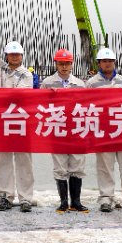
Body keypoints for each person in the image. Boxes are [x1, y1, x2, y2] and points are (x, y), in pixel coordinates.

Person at [86, 47, 122, 212]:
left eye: (110, 61)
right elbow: (87, 106)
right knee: (105, 166)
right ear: (98, 63)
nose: (107, 64)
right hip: (103, 130)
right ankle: (106, 198)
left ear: (114, 62)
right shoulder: (91, 83)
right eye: (104, 61)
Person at [0, 30, 34, 212]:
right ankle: (5, 197)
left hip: (20, 121)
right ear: (6, 55)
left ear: (21, 56)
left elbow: (19, 94)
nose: (14, 56)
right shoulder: (0, 68)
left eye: (17, 54)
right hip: (1, 122)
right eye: (11, 54)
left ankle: (25, 199)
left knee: (24, 162)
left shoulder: (26, 75)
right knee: (2, 162)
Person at [40, 49, 88, 213]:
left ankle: (76, 202)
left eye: (67, 64)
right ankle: (63, 202)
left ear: (71, 64)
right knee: (60, 167)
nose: (64, 67)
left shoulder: (80, 84)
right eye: (61, 64)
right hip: (57, 129)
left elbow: (86, 106)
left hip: (76, 129)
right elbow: (40, 106)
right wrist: (50, 96)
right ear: (56, 64)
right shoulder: (47, 83)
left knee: (77, 165)